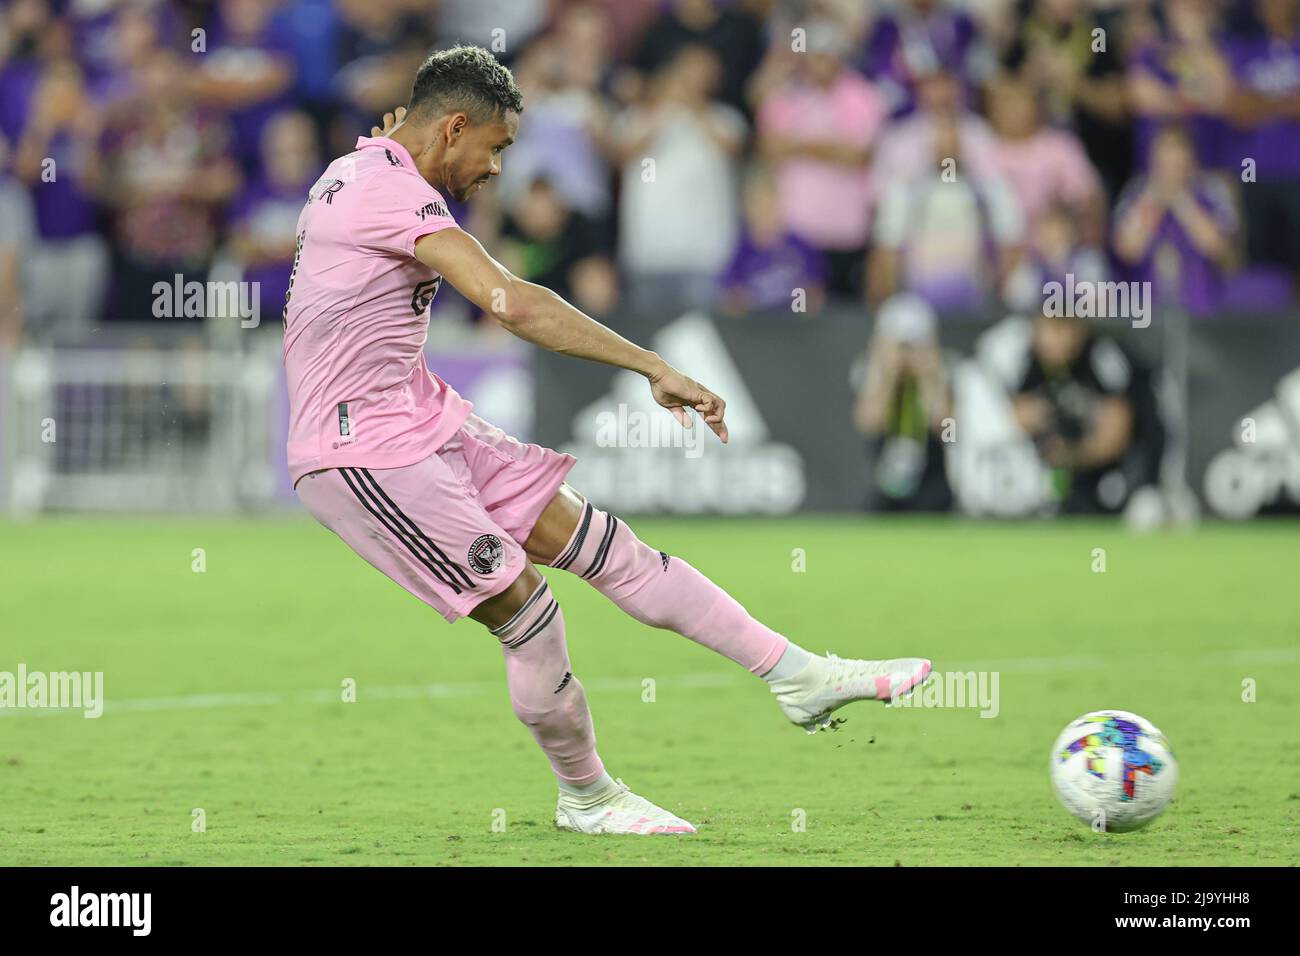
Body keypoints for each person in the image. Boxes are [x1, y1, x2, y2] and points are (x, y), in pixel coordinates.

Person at [284, 46, 932, 836]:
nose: (498, 170)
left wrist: (410, 149)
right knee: (529, 613)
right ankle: (587, 798)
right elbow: (513, 304)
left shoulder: (371, 169)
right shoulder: (388, 190)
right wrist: (651, 364)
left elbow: (398, 153)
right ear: (455, 127)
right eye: (496, 147)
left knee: (610, 547)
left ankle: (800, 675)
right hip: (361, 453)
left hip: (422, 417)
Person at [852, 294, 954, 512]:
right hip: (885, 485)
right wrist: (887, 374)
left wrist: (927, 376)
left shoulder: (939, 371)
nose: (907, 353)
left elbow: (945, 428)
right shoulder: (871, 371)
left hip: (932, 485)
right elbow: (869, 423)